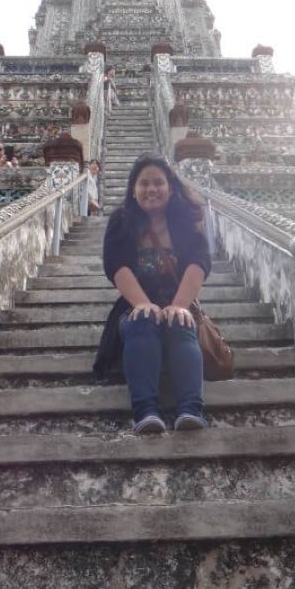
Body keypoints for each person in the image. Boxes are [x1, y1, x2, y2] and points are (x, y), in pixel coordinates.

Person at [94, 154, 211, 434]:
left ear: (170, 188)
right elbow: (116, 266)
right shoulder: (121, 222)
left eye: (158, 183)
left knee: (180, 321)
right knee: (142, 320)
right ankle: (146, 411)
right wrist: (144, 304)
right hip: (133, 305)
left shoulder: (186, 221)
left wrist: (180, 305)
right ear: (133, 190)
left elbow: (199, 263)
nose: (151, 189)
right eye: (143, 183)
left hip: (178, 299)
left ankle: (190, 409)